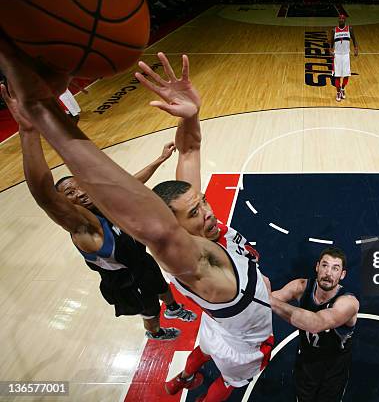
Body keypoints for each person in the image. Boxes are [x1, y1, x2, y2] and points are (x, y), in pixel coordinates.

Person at [0, 43, 274, 402]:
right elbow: (153, 228)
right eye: (194, 213)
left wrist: (190, 116)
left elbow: (190, 151)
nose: (207, 213)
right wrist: (40, 116)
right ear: (174, 225)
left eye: (202, 203)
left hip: (220, 321)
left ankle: (182, 377)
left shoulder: (199, 229)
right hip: (245, 335)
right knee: (231, 383)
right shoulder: (193, 259)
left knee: (205, 346)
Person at [2, 84, 196, 339]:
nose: (78, 193)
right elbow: (45, 196)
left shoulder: (102, 201)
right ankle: (155, 331)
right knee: (149, 308)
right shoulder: (84, 224)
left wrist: (160, 159)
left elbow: (132, 183)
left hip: (140, 261)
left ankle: (172, 307)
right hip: (125, 280)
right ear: (67, 204)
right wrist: (28, 131)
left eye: (78, 186)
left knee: (159, 283)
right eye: (69, 194)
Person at [271, 247, 359, 402]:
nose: (328, 273)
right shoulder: (300, 287)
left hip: (334, 365)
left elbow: (318, 323)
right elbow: (266, 300)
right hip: (307, 358)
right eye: (325, 266)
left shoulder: (348, 303)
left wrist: (270, 301)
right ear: (317, 267)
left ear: (342, 274)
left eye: (335, 268)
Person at [329, 14, 358, 102]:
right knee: (337, 76)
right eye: (340, 18)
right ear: (338, 20)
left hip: (346, 55)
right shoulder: (334, 30)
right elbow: (331, 42)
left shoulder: (350, 29)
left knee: (346, 75)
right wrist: (330, 50)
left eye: (343, 18)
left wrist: (356, 48)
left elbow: (354, 39)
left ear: (345, 20)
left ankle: (342, 89)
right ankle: (338, 92)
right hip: (337, 55)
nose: (341, 20)